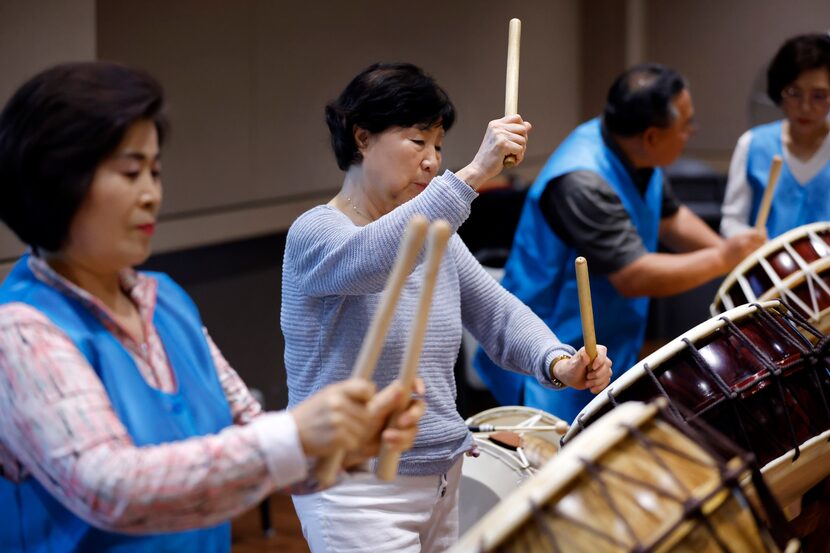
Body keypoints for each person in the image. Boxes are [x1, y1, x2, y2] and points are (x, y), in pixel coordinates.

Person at [0, 61, 425, 553]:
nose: (151, 194)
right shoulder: (22, 329)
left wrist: (349, 441)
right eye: (131, 172)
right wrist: (296, 435)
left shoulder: (165, 301)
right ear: (56, 180)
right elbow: (112, 488)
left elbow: (246, 430)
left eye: (155, 171)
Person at [281, 62, 613, 553]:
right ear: (362, 137)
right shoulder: (316, 234)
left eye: (439, 145)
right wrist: (475, 173)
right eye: (418, 142)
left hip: (440, 474)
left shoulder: (436, 237)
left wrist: (558, 361)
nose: (433, 161)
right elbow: (378, 261)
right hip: (355, 488)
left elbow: (496, 313)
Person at [474, 63, 766, 423]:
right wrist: (723, 257)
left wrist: (740, 259)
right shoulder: (583, 180)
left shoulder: (635, 149)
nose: (692, 131)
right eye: (686, 125)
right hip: (550, 352)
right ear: (651, 136)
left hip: (605, 349)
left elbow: (669, 217)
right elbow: (634, 276)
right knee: (555, 460)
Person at [721, 33, 830, 239]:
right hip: (768, 268)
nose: (805, 107)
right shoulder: (752, 145)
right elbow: (732, 221)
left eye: (819, 96)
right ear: (779, 90)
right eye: (794, 93)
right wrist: (749, 241)